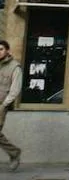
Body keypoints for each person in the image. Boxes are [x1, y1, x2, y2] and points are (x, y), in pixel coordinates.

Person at [0, 40, 21, 171]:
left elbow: (15, 89)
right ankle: (15, 153)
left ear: (7, 50)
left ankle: (14, 153)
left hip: (1, 105)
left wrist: (4, 104)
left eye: (1, 49)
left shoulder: (15, 67)